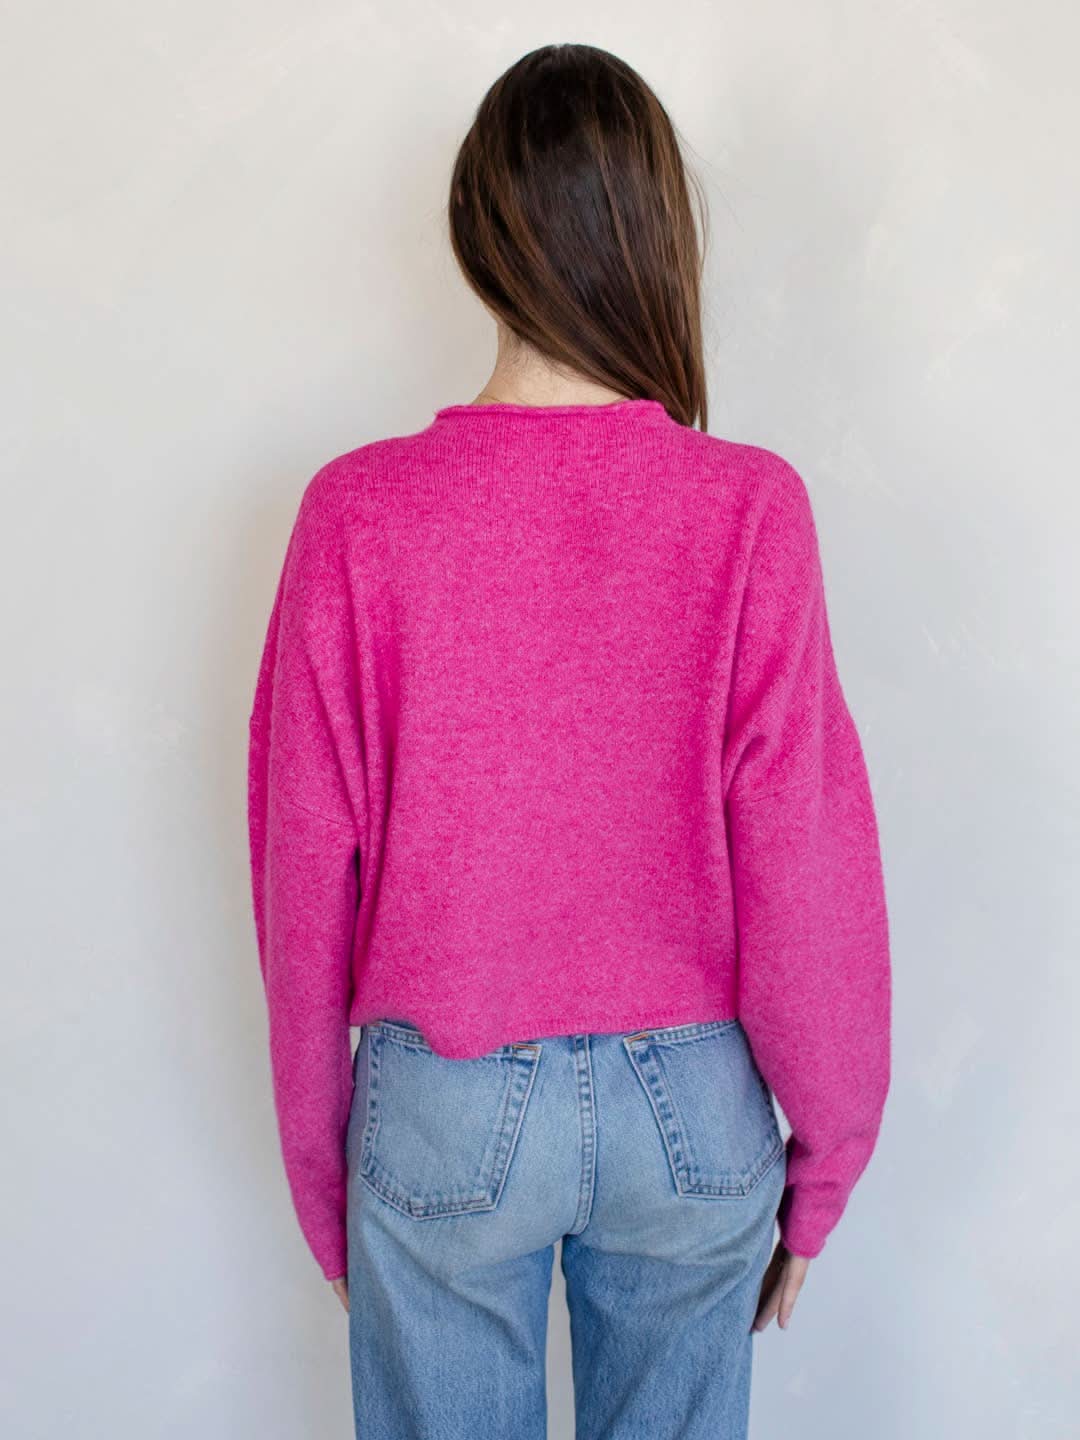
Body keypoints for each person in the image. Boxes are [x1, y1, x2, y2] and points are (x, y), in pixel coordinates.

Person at [246, 41, 891, 1440]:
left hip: (441, 1108)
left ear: (479, 240)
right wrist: (824, 1163)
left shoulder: (359, 516)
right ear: (660, 240)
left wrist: (323, 1175)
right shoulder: (748, 511)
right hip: (697, 1108)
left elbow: (303, 875)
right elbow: (808, 862)